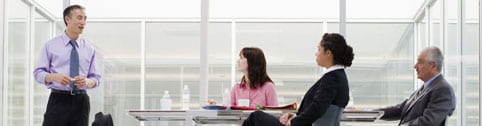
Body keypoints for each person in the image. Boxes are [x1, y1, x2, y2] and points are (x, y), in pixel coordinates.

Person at [242, 33, 354, 126]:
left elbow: (318, 108)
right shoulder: (338, 76)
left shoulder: (332, 78)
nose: (316, 53)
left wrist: (294, 122)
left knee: (255, 117)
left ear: (328, 53)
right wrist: (295, 116)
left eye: (319, 50)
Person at [33, 5, 101, 126]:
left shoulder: (90, 49)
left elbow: (96, 78)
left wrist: (87, 81)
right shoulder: (50, 45)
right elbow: (38, 73)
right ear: (67, 19)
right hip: (58, 99)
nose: (83, 22)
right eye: (79, 18)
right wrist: (55, 77)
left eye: (85, 18)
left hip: (81, 102)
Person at [377, 46, 455, 126]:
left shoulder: (443, 89)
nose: (415, 66)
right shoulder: (423, 89)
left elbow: (428, 122)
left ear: (433, 66)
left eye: (420, 62)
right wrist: (369, 113)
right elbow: (400, 110)